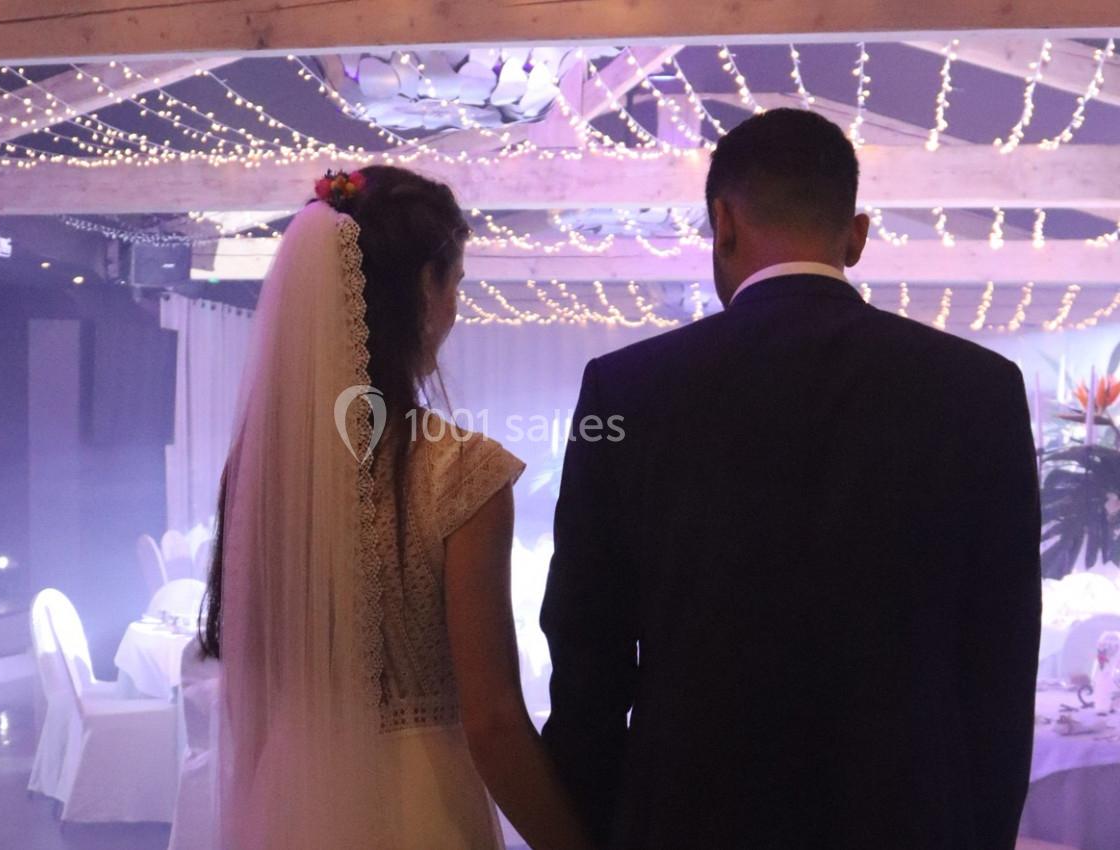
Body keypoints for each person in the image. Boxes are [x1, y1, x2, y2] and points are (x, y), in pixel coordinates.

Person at [541, 109, 1041, 849]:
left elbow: (587, 651)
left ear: (723, 223)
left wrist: (598, 821)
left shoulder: (623, 390)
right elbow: (1000, 665)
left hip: (689, 818)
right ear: (857, 235)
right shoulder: (981, 390)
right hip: (908, 820)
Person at [201, 165, 592, 850]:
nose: (455, 306)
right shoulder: (460, 471)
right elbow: (494, 718)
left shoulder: (258, 471)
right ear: (424, 288)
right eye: (457, 283)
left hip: (288, 797)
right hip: (419, 807)